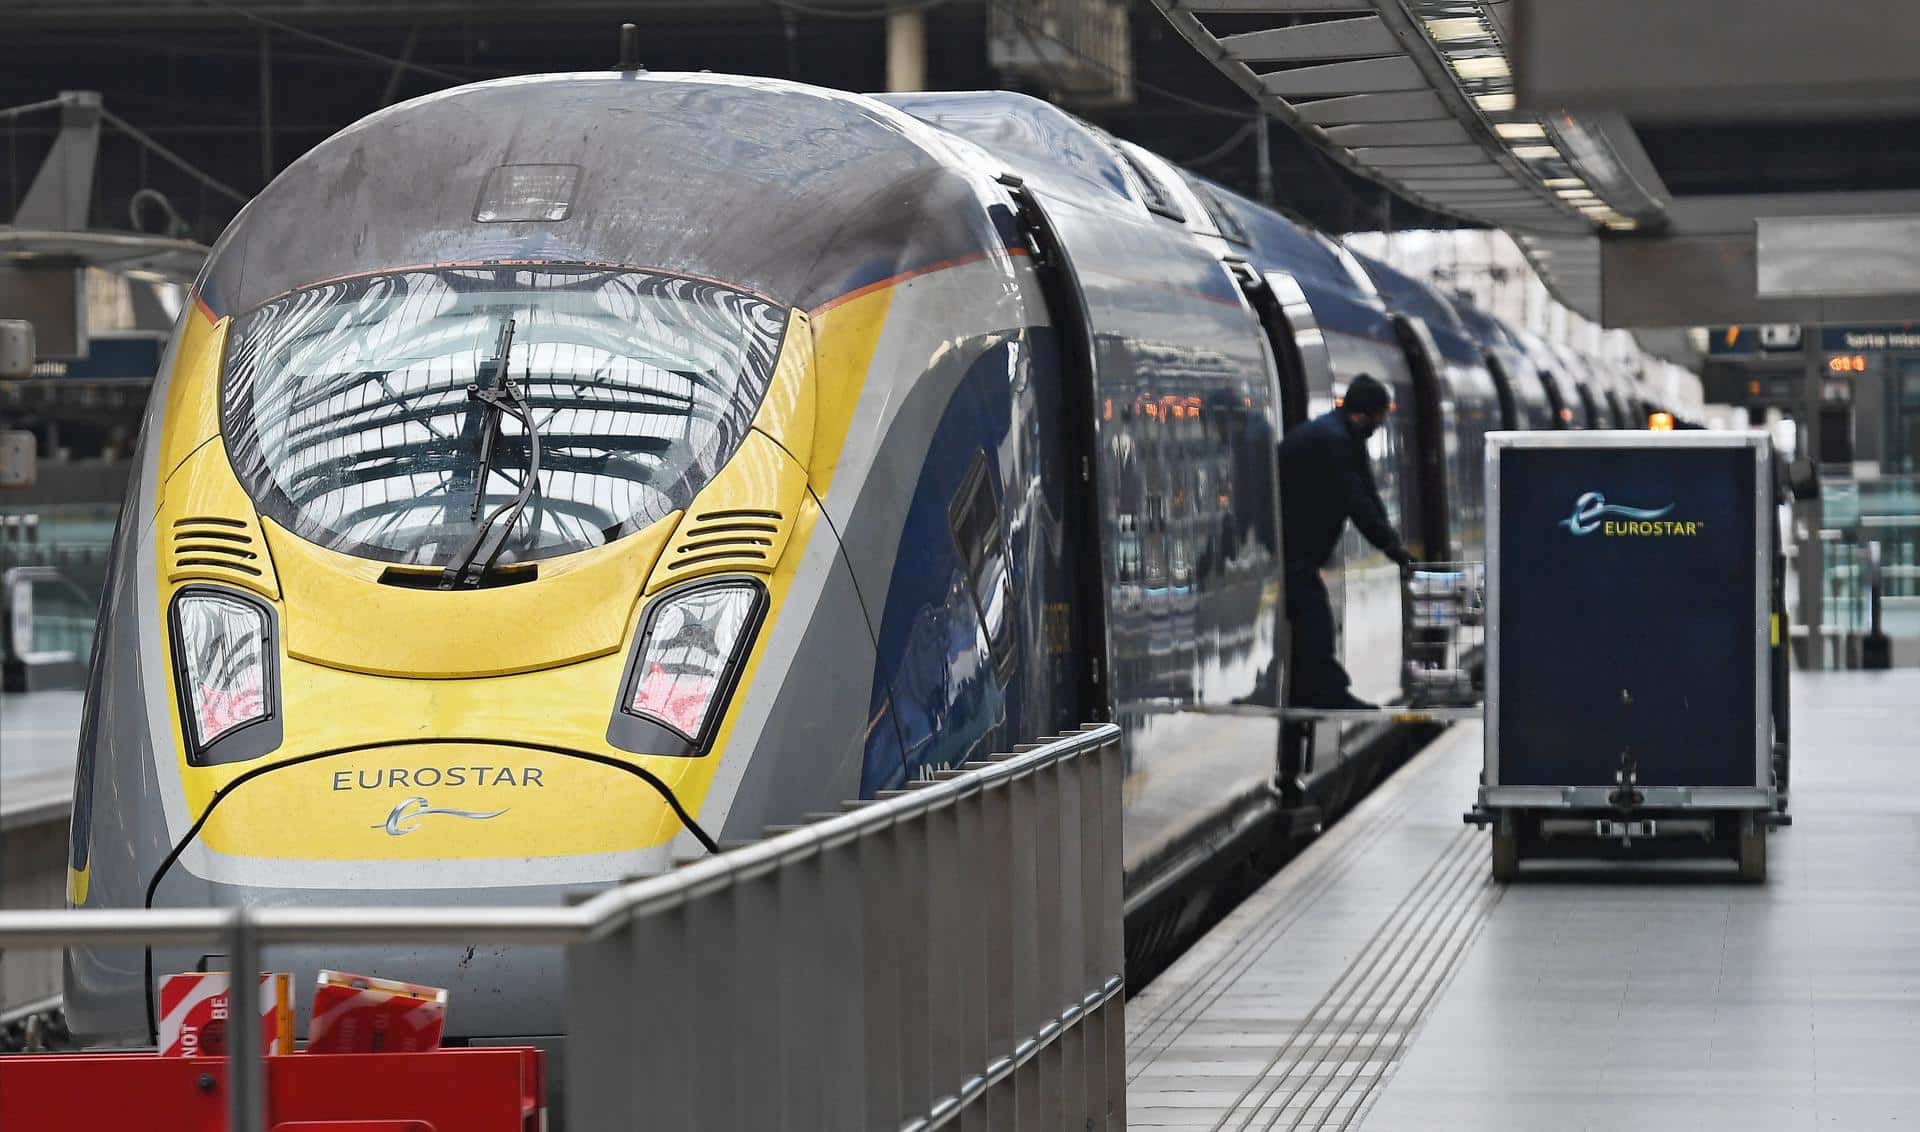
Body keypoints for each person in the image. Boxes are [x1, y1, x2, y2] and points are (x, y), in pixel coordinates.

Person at [1279, 374, 1414, 711]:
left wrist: (1394, 546)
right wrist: (1393, 549)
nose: (1381, 424)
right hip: (1289, 542)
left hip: (1298, 542)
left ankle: (1301, 685)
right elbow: (1357, 502)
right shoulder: (1332, 440)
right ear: (1366, 413)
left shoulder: (1343, 436)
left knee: (1306, 615)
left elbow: (1369, 493)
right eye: (1381, 416)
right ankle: (1325, 692)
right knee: (1314, 618)